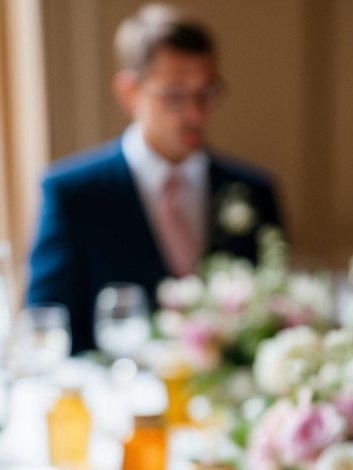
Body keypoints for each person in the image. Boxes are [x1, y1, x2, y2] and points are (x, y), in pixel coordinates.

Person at [26, 4, 284, 353]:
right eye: (175, 95)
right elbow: (45, 332)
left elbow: (274, 318)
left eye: (207, 92)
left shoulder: (253, 191)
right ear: (129, 93)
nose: (195, 113)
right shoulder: (71, 193)